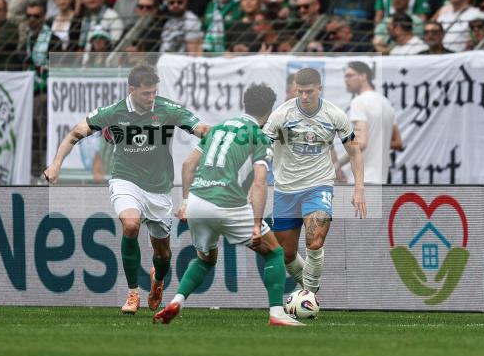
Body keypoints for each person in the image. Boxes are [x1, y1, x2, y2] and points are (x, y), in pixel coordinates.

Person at [44, 64, 210, 314]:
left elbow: (200, 128)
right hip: (125, 180)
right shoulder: (115, 112)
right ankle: (133, 293)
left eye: (154, 92)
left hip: (159, 188)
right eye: (146, 93)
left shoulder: (167, 109)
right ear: (131, 90)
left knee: (163, 257)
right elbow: (75, 134)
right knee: (130, 225)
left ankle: (158, 279)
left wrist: (214, 134)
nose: (151, 98)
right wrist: (56, 164)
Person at [155, 83, 302, 327]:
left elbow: (188, 165)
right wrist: (256, 224)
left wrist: (185, 202)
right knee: (274, 252)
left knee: (205, 260)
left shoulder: (218, 128)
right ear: (270, 111)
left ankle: (177, 301)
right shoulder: (258, 136)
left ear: (245, 104)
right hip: (227, 203)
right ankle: (277, 313)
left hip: (198, 202)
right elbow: (259, 182)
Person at [263, 68, 366, 293]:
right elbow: (262, 148)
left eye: (309, 91)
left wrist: (359, 189)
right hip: (286, 189)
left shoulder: (334, 115)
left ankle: (309, 296)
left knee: (315, 241)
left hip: (318, 186)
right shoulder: (281, 115)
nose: (304, 97)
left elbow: (355, 152)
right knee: (287, 254)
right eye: (300, 92)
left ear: (320, 89)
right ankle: (310, 292)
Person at [337, 61, 402, 185]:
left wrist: (336, 165)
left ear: (363, 76)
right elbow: (398, 142)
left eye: (350, 75)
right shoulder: (386, 103)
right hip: (381, 180)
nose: (346, 80)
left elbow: (360, 143)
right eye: (345, 76)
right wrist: (376, 140)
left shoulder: (359, 102)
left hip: (363, 179)